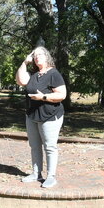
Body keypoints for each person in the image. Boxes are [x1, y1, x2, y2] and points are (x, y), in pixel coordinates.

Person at [15, 46, 67, 189]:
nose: (37, 57)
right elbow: (20, 80)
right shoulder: (34, 74)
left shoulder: (54, 74)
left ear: (47, 56)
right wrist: (25, 63)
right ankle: (36, 173)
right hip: (32, 115)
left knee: (49, 147)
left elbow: (62, 95)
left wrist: (43, 97)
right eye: (34, 55)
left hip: (49, 116)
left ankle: (51, 176)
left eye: (40, 54)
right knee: (34, 146)